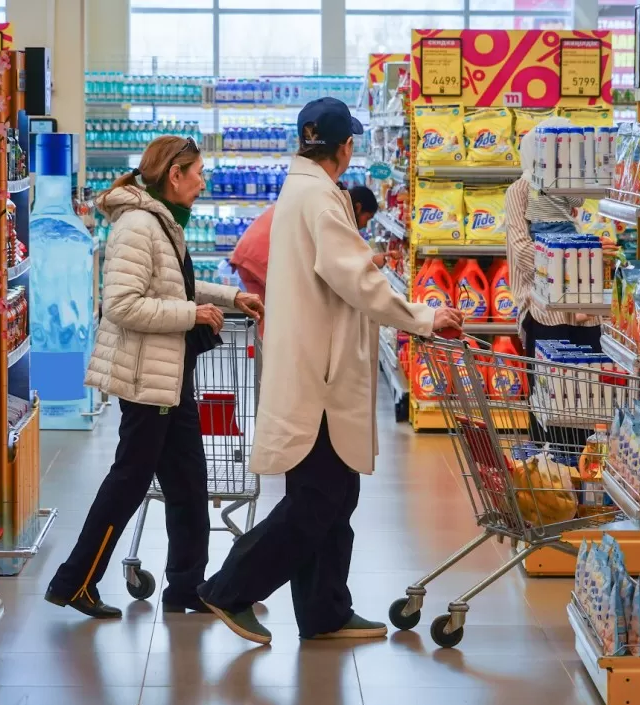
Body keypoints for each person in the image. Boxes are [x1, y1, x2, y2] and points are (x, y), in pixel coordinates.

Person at [197, 98, 463, 644]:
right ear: (345, 148)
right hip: (319, 375)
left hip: (309, 363)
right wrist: (423, 317)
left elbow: (338, 271)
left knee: (335, 495)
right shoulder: (321, 197)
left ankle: (325, 611)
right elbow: (358, 284)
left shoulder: (305, 191)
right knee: (320, 498)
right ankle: (228, 588)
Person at [46, 135, 264, 619]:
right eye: (198, 173)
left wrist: (229, 298)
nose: (203, 182)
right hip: (148, 380)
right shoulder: (139, 226)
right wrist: (191, 314)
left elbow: (174, 285)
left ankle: (187, 586)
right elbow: (122, 305)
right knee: (128, 481)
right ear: (174, 175)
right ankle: (74, 581)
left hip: (170, 375)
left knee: (188, 483)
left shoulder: (161, 222)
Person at [504, 117, 602, 448]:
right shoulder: (519, 192)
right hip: (544, 312)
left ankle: (578, 472)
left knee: (587, 399)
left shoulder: (572, 191)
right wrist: (570, 261)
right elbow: (523, 253)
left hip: (584, 311)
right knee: (549, 402)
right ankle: (552, 476)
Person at [229, 185, 394, 302]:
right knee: (291, 310)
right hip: (262, 255)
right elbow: (337, 260)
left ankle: (277, 351)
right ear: (357, 207)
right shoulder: (335, 210)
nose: (365, 225)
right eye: (368, 218)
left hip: (250, 252)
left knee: (271, 318)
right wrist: (371, 263)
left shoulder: (330, 198)